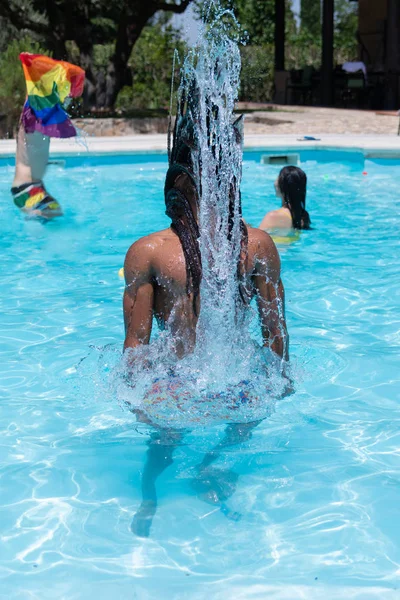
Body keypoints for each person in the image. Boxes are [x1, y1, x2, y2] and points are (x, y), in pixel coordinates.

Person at [123, 95, 290, 536]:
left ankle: (166, 487)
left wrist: (135, 396)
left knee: (167, 439)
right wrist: (279, 382)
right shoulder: (251, 246)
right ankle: (183, 480)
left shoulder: (155, 251)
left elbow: (136, 347)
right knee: (233, 422)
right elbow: (276, 338)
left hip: (189, 384)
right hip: (210, 381)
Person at [11, 53, 85, 219]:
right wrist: (35, 67)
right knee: (52, 215)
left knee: (54, 215)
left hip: (32, 186)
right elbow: (34, 97)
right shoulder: (32, 119)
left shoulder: (35, 120)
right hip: (27, 187)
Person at [259, 166, 311, 233]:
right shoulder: (303, 216)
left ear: (282, 186)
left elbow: (255, 240)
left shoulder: (273, 216)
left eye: (277, 179)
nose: (274, 183)